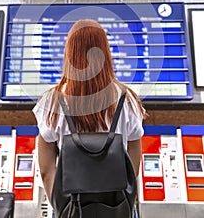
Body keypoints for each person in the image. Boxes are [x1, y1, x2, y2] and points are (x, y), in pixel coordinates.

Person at [33, 19, 147, 218]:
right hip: (118, 204)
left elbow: (45, 165)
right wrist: (128, 189)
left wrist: (57, 202)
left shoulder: (52, 101)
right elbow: (134, 146)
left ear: (70, 53)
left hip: (71, 205)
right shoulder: (126, 98)